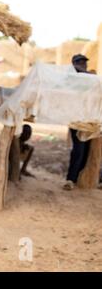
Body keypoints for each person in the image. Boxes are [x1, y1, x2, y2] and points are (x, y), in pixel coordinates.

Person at [63, 54, 90, 190]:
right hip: (76, 120)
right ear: (74, 63)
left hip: (90, 120)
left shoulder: (89, 78)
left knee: (87, 150)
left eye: (84, 62)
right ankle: (70, 179)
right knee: (79, 149)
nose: (83, 64)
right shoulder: (72, 77)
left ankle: (80, 177)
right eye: (80, 62)